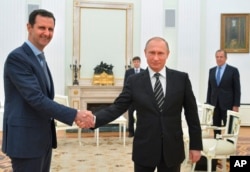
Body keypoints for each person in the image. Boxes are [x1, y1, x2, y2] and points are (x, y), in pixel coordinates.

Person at [91, 37, 202, 172]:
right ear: (145, 53)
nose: (156, 58)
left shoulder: (181, 79)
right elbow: (117, 107)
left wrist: (196, 145)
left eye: (160, 53)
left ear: (168, 54)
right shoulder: (134, 81)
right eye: (152, 53)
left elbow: (192, 114)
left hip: (172, 149)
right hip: (144, 149)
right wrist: (94, 119)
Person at [2, 9, 93, 172]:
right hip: (25, 140)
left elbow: (44, 97)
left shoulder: (39, 58)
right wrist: (75, 114)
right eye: (41, 28)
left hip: (41, 139)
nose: (47, 33)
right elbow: (36, 98)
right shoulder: (18, 58)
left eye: (50, 29)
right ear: (29, 27)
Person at [206, 49, 241, 138]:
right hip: (215, 105)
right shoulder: (212, 71)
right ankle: (217, 145)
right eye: (217, 57)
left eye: (221, 57)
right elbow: (210, 89)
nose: (219, 59)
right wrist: (209, 104)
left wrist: (236, 105)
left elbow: (237, 89)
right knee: (216, 127)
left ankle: (229, 147)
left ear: (226, 58)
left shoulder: (233, 70)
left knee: (229, 128)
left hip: (228, 105)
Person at [124, 56, 145, 137]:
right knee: (131, 115)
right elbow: (126, 84)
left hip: (142, 98)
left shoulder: (144, 71)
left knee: (141, 116)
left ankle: (141, 132)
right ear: (133, 63)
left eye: (137, 62)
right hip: (131, 98)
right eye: (135, 62)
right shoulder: (128, 72)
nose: (136, 63)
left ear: (140, 62)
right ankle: (131, 132)